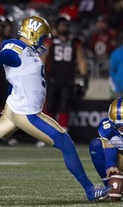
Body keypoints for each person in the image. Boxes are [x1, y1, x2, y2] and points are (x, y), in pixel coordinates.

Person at [0, 15, 111, 201]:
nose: (43, 41)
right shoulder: (16, 51)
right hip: (27, 113)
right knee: (66, 143)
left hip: (16, 106)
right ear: (32, 34)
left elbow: (14, 77)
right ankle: (91, 191)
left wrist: (8, 100)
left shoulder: (24, 50)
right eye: (41, 37)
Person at [36, 15, 89, 147]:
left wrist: (85, 77)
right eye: (61, 25)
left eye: (65, 25)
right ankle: (47, 135)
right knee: (50, 107)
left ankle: (62, 134)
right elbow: (42, 59)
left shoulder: (74, 43)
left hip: (68, 79)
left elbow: (81, 60)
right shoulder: (50, 42)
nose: (63, 28)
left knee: (65, 106)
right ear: (57, 27)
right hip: (52, 78)